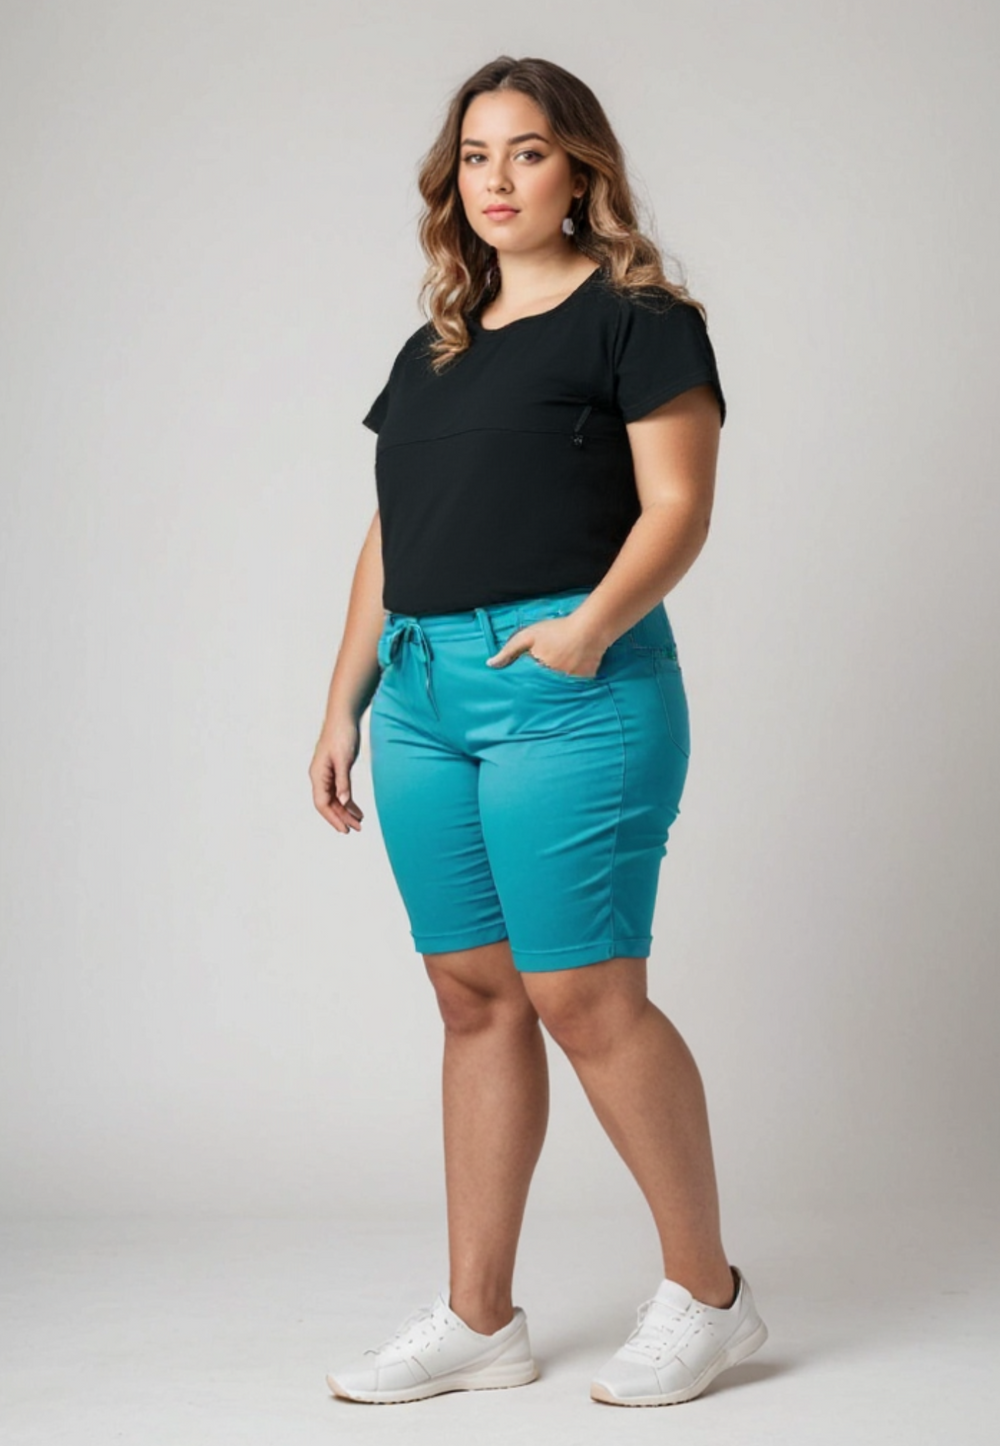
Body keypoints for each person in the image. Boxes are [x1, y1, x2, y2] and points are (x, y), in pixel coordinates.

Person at [310, 54, 768, 1409]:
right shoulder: (436, 350)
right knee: (471, 996)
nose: (497, 180)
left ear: (581, 169)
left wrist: (588, 627)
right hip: (424, 695)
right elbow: (393, 535)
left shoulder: (641, 321)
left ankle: (710, 1295)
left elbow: (678, 505)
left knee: (585, 995)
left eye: (526, 151)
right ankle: (479, 1318)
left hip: (572, 685)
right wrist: (342, 699)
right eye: (475, 156)